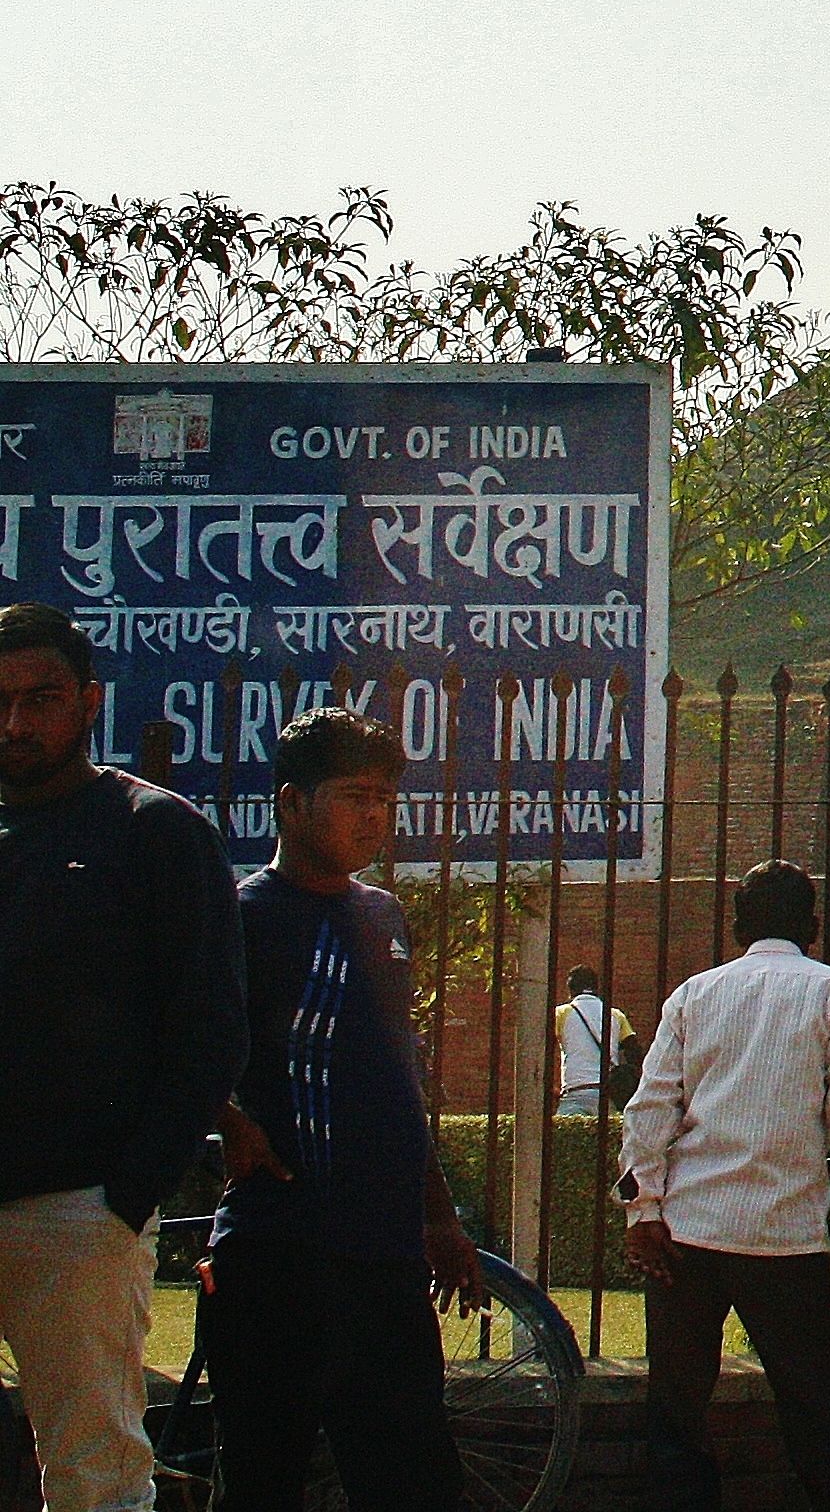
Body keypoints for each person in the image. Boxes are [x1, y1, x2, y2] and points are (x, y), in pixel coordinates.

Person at [207, 703, 485, 1512]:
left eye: (387, 798)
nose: (376, 816)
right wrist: (229, 1123)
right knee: (261, 1479)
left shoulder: (381, 915)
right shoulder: (240, 914)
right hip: (274, 1253)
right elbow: (171, 1042)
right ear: (292, 803)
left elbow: (398, 1077)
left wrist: (439, 1217)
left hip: (382, 1258)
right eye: (355, 794)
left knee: (412, 1481)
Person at [0, 602, 245, 1512]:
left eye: (41, 698)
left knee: (96, 1472)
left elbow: (211, 1030)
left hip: (77, 1214)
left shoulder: (154, 832)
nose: (17, 722)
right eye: (1, 701)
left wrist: (125, 1197)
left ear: (90, 702)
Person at [617, 862, 830, 1512]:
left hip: (688, 1235)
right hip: (785, 1239)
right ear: (814, 927)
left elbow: (650, 1107)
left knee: (677, 1414)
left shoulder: (694, 994)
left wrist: (642, 1209)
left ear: (737, 925)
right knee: (821, 1410)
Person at [556, 967, 633, 1117]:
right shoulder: (615, 1015)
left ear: (570, 989)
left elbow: (540, 1049)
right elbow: (634, 1052)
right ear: (596, 988)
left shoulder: (561, 1013)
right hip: (608, 1093)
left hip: (575, 1092)